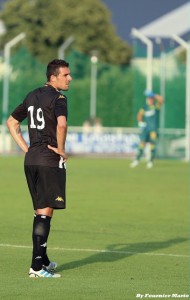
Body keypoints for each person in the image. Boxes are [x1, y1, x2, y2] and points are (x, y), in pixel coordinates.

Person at [6, 59, 72, 278]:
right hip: (48, 159)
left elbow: (11, 123)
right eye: (65, 75)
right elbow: (61, 124)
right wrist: (61, 150)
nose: (69, 78)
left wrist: (26, 148)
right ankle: (36, 267)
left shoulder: (31, 95)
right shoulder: (59, 98)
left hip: (32, 159)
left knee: (40, 210)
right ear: (53, 77)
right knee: (45, 212)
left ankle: (43, 260)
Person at [130, 91, 164, 169]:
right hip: (146, 129)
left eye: (151, 98)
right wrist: (140, 122)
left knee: (152, 144)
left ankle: (150, 162)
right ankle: (137, 160)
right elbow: (139, 115)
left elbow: (161, 100)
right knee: (142, 144)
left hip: (153, 129)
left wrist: (154, 95)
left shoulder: (156, 107)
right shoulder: (144, 107)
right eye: (149, 98)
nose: (150, 100)